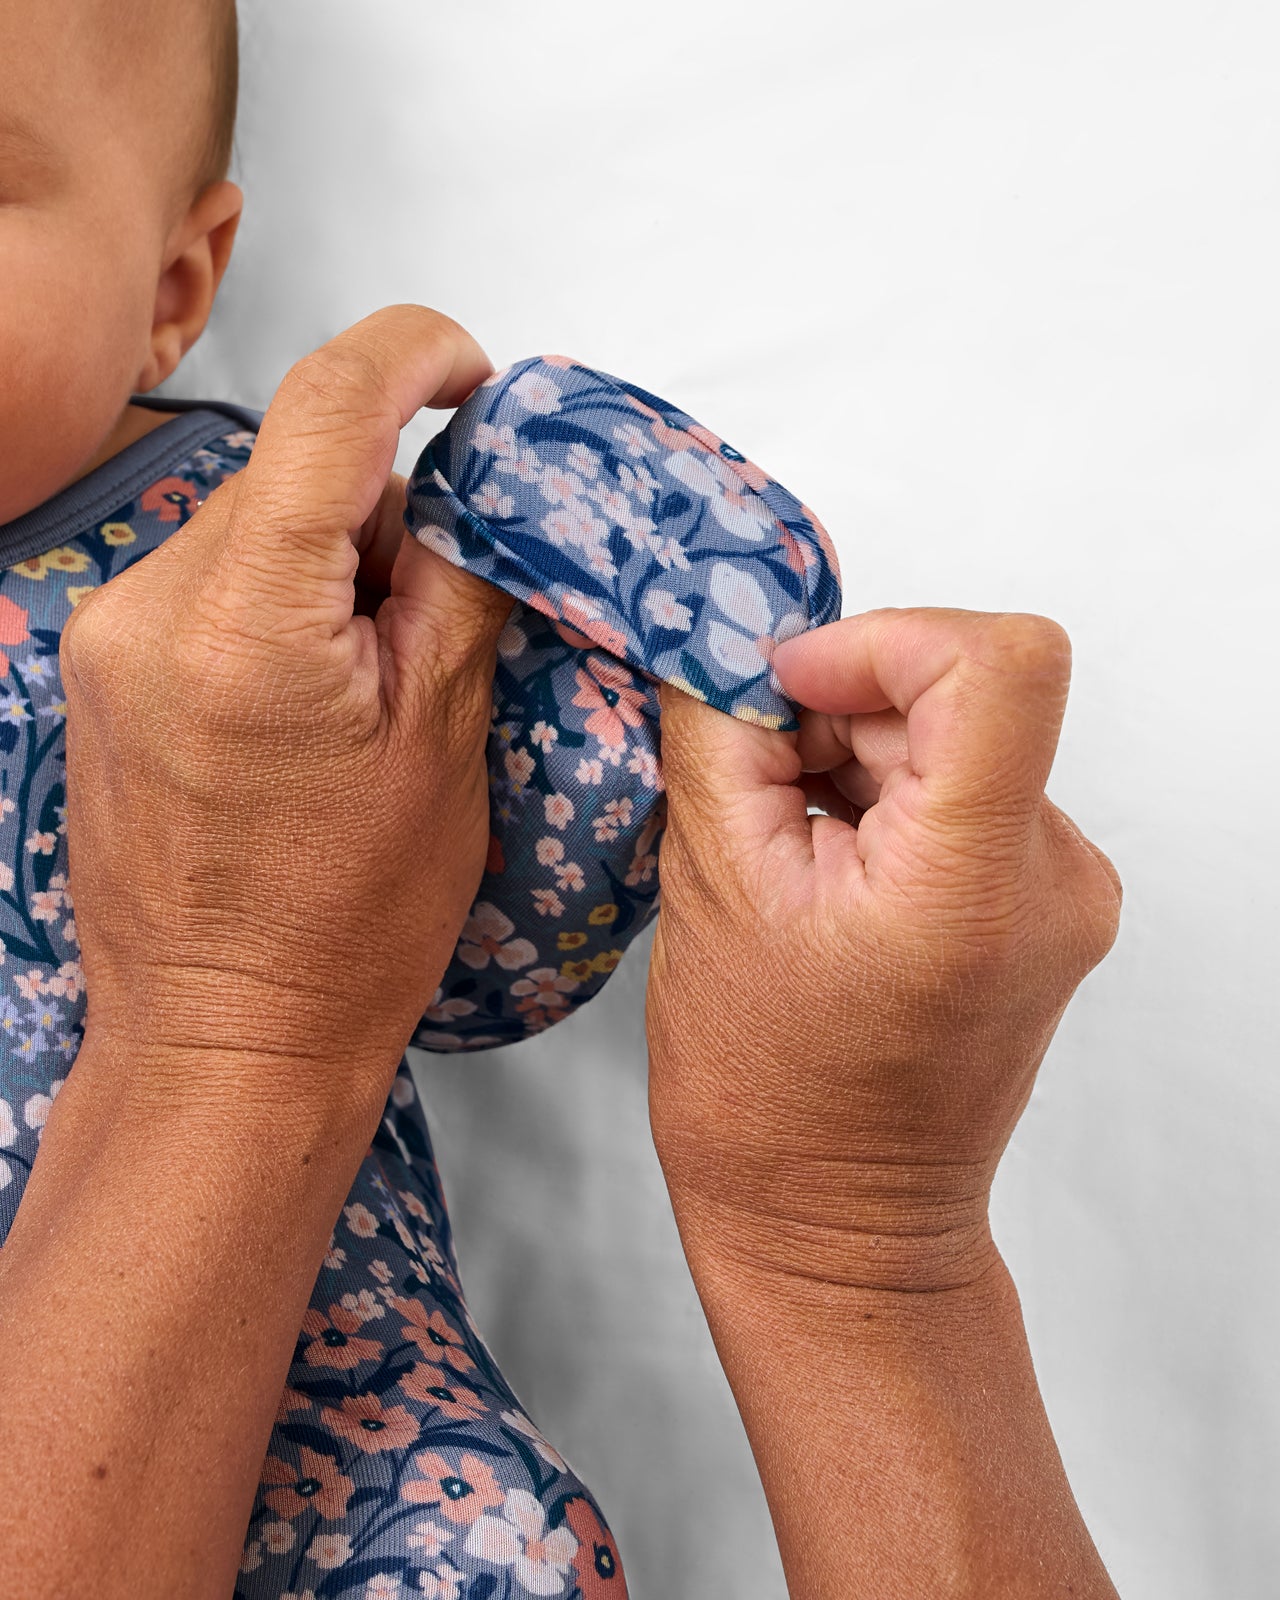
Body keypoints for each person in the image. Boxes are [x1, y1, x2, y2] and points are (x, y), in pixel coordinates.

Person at [0, 9, 1124, 1600]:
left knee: (469, 1551)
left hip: (341, 1459)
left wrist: (627, 678)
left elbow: (481, 934)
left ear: (172, 292)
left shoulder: (254, 564)